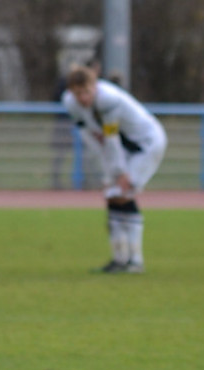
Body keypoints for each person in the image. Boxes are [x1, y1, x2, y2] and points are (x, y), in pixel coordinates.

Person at [63, 64, 167, 273]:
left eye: (86, 92)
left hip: (146, 145)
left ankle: (135, 261)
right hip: (123, 148)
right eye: (78, 93)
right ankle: (119, 259)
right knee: (112, 195)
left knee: (123, 194)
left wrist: (119, 172)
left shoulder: (108, 100)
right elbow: (91, 138)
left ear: (95, 86)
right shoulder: (69, 103)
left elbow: (111, 137)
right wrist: (108, 172)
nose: (83, 98)